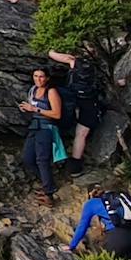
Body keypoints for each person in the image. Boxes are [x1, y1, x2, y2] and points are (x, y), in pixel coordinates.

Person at [47, 45, 105, 173]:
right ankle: (75, 165)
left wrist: (51, 47)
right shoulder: (100, 66)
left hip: (73, 101)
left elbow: (53, 54)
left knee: (67, 128)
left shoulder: (76, 62)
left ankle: (61, 159)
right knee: (81, 134)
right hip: (90, 103)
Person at [67, 185, 131, 260]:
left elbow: (82, 227)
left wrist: (71, 246)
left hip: (119, 237)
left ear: (90, 195)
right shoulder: (119, 196)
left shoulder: (91, 203)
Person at [18, 66, 62, 204]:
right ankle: (47, 183)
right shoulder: (33, 90)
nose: (38, 79)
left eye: (41, 76)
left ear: (47, 78)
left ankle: (49, 194)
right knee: (27, 158)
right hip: (34, 127)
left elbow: (57, 114)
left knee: (42, 160)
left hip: (46, 128)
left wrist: (35, 109)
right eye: (35, 76)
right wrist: (27, 110)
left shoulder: (52, 92)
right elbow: (32, 109)